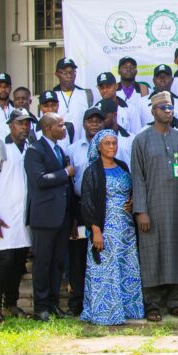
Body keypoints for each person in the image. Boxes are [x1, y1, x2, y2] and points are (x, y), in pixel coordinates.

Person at [131, 91, 178, 322]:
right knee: (151, 253)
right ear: (153, 111)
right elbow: (138, 177)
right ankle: (152, 303)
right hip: (152, 208)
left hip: (177, 208)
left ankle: (175, 302)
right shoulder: (142, 140)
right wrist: (141, 211)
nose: (168, 111)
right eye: (163, 108)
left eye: (170, 107)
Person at [80, 129, 144, 325]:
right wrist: (96, 231)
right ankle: (106, 312)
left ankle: (128, 309)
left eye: (114, 143)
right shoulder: (92, 171)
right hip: (105, 227)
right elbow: (88, 203)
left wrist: (132, 200)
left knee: (126, 266)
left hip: (125, 228)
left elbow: (132, 188)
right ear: (98, 147)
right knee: (106, 269)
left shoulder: (122, 166)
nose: (111, 147)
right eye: (107, 143)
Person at [0, 108, 35, 324]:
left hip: (23, 216)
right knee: (4, 261)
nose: (25, 127)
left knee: (19, 261)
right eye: (20, 123)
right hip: (3, 216)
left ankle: (11, 304)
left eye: (27, 123)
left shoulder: (30, 148)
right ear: (10, 125)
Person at [24, 112, 77, 322]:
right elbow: (40, 180)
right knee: (43, 262)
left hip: (62, 217)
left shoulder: (59, 149)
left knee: (57, 262)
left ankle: (54, 303)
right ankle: (41, 307)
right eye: (60, 125)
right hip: (44, 217)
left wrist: (72, 215)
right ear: (48, 128)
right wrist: (65, 173)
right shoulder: (34, 150)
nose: (64, 129)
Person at [65, 106, 106, 316]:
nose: (95, 124)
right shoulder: (73, 149)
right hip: (80, 208)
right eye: (91, 121)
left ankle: (100, 300)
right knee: (78, 256)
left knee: (101, 253)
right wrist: (72, 215)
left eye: (98, 121)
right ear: (84, 124)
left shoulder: (109, 146)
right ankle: (77, 302)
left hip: (104, 208)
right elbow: (69, 184)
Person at [53, 58, 94, 127]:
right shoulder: (53, 96)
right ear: (57, 74)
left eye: (72, 72)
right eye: (65, 73)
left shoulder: (86, 94)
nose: (69, 76)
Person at [116, 56, 150, 131]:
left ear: (136, 71)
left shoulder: (146, 90)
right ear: (118, 71)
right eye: (125, 67)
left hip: (142, 132)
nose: (128, 69)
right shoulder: (113, 90)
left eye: (131, 67)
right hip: (119, 135)